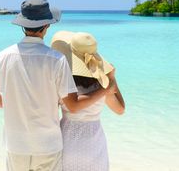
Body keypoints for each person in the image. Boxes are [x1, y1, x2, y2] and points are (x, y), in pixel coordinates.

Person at [0, 0, 116, 171]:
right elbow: (72, 105)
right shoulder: (56, 60)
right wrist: (107, 89)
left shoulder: (2, 57)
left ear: (23, 25)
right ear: (47, 26)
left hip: (15, 144)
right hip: (47, 145)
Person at [51, 31, 125, 171]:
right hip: (94, 140)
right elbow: (120, 109)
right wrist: (112, 79)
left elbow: (57, 108)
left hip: (68, 137)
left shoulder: (64, 79)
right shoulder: (102, 82)